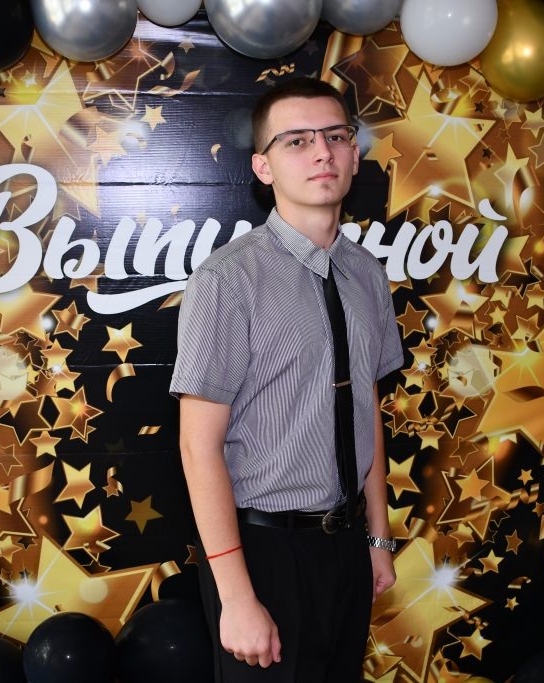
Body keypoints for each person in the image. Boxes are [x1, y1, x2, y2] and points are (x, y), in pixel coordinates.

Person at [169, 77, 404, 682]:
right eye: (297, 140)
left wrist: (378, 538)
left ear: (354, 153)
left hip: (348, 545)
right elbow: (198, 448)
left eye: (336, 136)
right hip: (264, 551)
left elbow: (366, 407)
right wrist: (236, 598)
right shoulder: (228, 280)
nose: (322, 152)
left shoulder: (367, 274)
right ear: (263, 166)